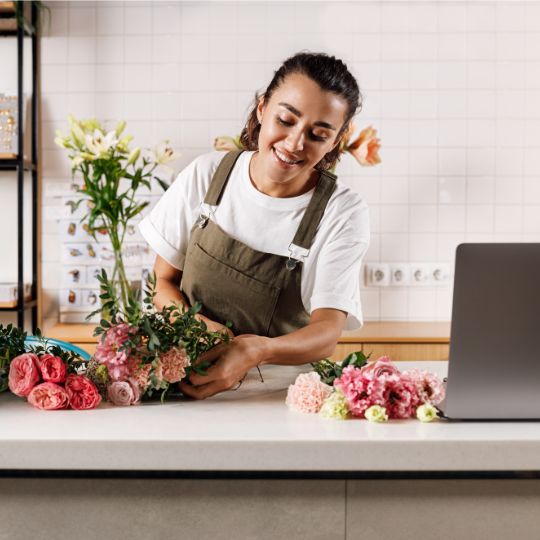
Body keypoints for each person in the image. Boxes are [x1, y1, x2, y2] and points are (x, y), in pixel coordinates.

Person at [139, 52, 370, 399]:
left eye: (318, 134)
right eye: (285, 120)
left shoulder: (342, 210)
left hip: (274, 394)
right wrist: (203, 332)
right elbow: (163, 282)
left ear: (335, 140)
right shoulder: (208, 175)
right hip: (182, 378)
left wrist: (255, 350)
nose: (294, 144)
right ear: (263, 108)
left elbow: (326, 332)